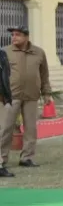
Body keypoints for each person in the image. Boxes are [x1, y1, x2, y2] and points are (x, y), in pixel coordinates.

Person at [1, 26, 52, 175]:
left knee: (31, 129)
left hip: (31, 96)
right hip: (10, 97)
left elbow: (44, 75)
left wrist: (46, 93)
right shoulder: (5, 52)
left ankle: (27, 157)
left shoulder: (39, 53)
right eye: (13, 35)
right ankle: (2, 160)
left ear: (26, 37)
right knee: (5, 129)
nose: (14, 37)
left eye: (17, 35)